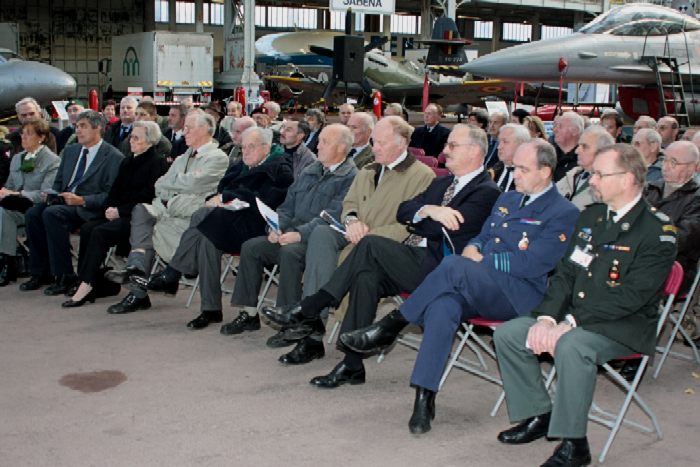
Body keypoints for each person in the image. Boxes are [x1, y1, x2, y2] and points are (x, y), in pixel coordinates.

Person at [338, 139, 580, 435]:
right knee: (443, 306)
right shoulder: (507, 199)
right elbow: (484, 235)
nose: (514, 174)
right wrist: (474, 247)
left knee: (453, 266)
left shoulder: (563, 211)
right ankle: (424, 398)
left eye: (523, 170)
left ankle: (392, 324)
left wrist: (482, 259)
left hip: (518, 295)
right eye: (514, 168)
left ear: (545, 171)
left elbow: (534, 262)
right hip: (480, 284)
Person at [492, 144, 677, 467]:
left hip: (623, 325)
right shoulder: (591, 217)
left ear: (627, 179)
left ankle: (574, 444)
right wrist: (548, 318)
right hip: (576, 316)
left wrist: (571, 323)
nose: (592, 180)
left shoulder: (657, 231)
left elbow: (632, 296)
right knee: (509, 334)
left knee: (572, 346)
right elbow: (566, 273)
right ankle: (539, 414)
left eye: (600, 175)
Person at [268, 125, 500, 373]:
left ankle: (313, 306)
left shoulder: (486, 192)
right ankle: (351, 364)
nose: (445, 150)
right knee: (366, 277)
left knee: (370, 244)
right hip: (414, 258)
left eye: (452, 145)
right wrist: (428, 210)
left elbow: (439, 230)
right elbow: (404, 211)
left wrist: (421, 217)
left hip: (441, 269)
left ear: (474, 151)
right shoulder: (442, 183)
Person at [262, 115, 435, 362]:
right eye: (374, 142)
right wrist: (352, 220)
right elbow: (349, 204)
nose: (374, 148)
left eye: (381, 143)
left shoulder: (421, 176)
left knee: (333, 255)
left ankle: (311, 327)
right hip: (351, 233)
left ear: (402, 143)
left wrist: (368, 234)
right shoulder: (368, 170)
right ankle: (312, 322)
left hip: (382, 245)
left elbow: (410, 226)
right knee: (322, 233)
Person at [139, 127, 294, 327]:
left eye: (251, 147)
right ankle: (210, 309)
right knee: (207, 238)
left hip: (257, 226)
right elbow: (222, 188)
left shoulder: (280, 169)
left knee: (203, 217)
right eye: (243, 147)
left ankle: (173, 272)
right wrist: (221, 198)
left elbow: (269, 201)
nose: (245, 152)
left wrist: (227, 197)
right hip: (226, 222)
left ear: (266, 147)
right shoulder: (240, 165)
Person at [219, 124, 357, 337]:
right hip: (290, 233)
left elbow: (333, 216)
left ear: (341, 148)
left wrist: (299, 234)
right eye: (319, 141)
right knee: (252, 247)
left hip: (316, 241)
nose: (317, 146)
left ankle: (289, 319)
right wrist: (276, 227)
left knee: (289, 253)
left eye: (324, 142)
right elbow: (286, 206)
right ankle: (249, 314)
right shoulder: (311, 170)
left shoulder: (351, 178)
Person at [104, 109, 229, 314]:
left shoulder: (217, 158)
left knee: (144, 232)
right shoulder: (182, 157)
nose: (184, 132)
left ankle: (138, 291)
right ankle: (136, 270)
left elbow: (194, 184)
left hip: (188, 219)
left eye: (189, 128)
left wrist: (172, 187)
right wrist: (176, 185)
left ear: (205, 129)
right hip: (166, 210)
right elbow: (159, 184)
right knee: (141, 211)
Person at [62, 121, 167, 307]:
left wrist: (120, 211)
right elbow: (115, 192)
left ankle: (86, 285)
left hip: (139, 216)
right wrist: (110, 209)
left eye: (136, 138)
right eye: (131, 137)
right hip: (118, 212)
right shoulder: (127, 161)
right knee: (88, 228)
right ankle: (88, 279)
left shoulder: (157, 163)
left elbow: (149, 196)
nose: (131, 141)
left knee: (99, 232)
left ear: (150, 141)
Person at [21, 110, 124, 294]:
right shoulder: (71, 151)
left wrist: (81, 200)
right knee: (33, 214)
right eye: (77, 126)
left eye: (83, 126)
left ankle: (64, 275)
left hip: (87, 207)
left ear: (97, 128)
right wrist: (51, 194)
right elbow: (58, 183)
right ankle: (40, 271)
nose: (78, 130)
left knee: (52, 214)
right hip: (63, 201)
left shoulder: (113, 156)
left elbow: (110, 195)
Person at [0, 119, 60, 287]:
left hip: (36, 209)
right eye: (22, 133)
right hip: (14, 206)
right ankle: (8, 260)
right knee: (3, 212)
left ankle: (7, 262)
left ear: (41, 137)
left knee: (3, 213)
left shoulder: (52, 161)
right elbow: (10, 185)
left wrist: (18, 194)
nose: (23, 137)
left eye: (28, 134)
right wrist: (4, 192)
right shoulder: (17, 158)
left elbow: (46, 193)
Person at [645, 141, 700, 293]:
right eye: (664, 160)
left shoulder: (696, 199)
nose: (665, 167)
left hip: (670, 266)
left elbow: (681, 238)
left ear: (692, 167)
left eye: (673, 162)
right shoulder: (650, 188)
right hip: (640, 257)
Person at [557, 125, 615, 210]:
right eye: (578, 146)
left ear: (601, 152)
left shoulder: (609, 185)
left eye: (584, 147)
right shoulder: (572, 175)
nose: (576, 151)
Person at [490, 123, 531, 192]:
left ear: (521, 145)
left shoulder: (529, 177)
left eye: (505, 142)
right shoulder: (494, 170)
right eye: (499, 142)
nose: (499, 147)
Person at [552, 112, 584, 182]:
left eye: (560, 127)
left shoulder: (583, 160)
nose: (555, 130)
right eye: (555, 126)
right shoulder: (551, 156)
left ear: (575, 131)